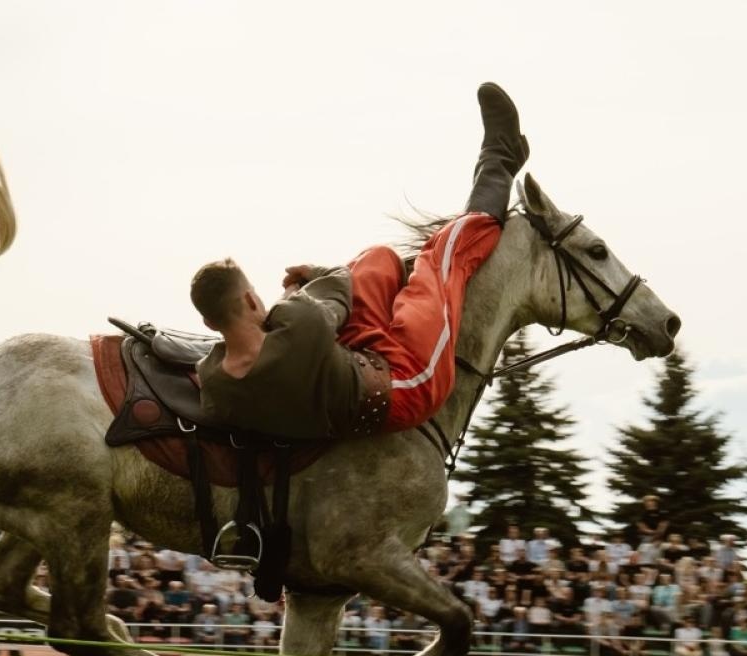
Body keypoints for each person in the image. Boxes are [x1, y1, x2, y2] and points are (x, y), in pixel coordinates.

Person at [189, 83, 526, 440]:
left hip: (349, 364)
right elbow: (339, 282)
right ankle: (499, 160)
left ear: (210, 323)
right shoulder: (298, 322)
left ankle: (403, 303)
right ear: (250, 300)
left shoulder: (215, 386)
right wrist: (303, 283)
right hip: (405, 385)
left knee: (377, 260)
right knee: (441, 259)